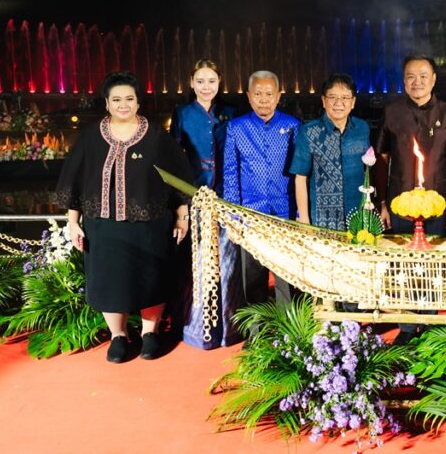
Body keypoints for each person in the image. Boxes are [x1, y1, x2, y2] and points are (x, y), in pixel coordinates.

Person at [57, 71, 194, 363]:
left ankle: (150, 332)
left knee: (151, 277)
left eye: (129, 99)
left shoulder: (156, 137)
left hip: (150, 224)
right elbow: (75, 181)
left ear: (138, 102)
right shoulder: (91, 137)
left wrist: (182, 216)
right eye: (116, 99)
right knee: (109, 279)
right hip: (103, 225)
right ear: (107, 103)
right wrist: (73, 222)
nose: (123, 105)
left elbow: (179, 177)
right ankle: (118, 335)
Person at [375, 54, 446, 344]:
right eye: (411, 76)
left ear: (434, 79)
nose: (417, 82)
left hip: (438, 206)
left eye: (423, 76)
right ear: (404, 81)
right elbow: (382, 159)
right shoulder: (392, 113)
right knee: (403, 265)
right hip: (400, 204)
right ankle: (407, 326)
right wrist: (383, 203)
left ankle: (431, 324)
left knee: (434, 266)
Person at [169, 59, 242, 350]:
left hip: (227, 197)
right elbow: (174, 160)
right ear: (191, 83)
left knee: (227, 264)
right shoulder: (182, 114)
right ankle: (198, 330)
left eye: (211, 81)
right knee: (198, 264)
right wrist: (181, 206)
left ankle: (228, 330)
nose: (206, 86)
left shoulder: (231, 113)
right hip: (195, 196)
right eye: (200, 81)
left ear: (219, 82)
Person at [224, 70, 300, 305]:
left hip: (285, 212)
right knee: (253, 275)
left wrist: (300, 212)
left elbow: (301, 173)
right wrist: (233, 217)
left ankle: (288, 324)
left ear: (278, 96)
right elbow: (230, 173)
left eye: (269, 94)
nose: (264, 100)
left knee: (287, 275)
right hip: (250, 214)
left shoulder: (292, 125)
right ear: (249, 96)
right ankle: (257, 325)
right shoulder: (236, 127)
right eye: (258, 94)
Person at [291, 72, 372, 230]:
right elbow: (300, 178)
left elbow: (368, 171)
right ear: (323, 100)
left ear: (353, 102)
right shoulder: (309, 132)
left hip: (359, 216)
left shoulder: (362, 128)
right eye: (332, 97)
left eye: (345, 97)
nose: (338, 103)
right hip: (323, 220)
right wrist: (304, 220)